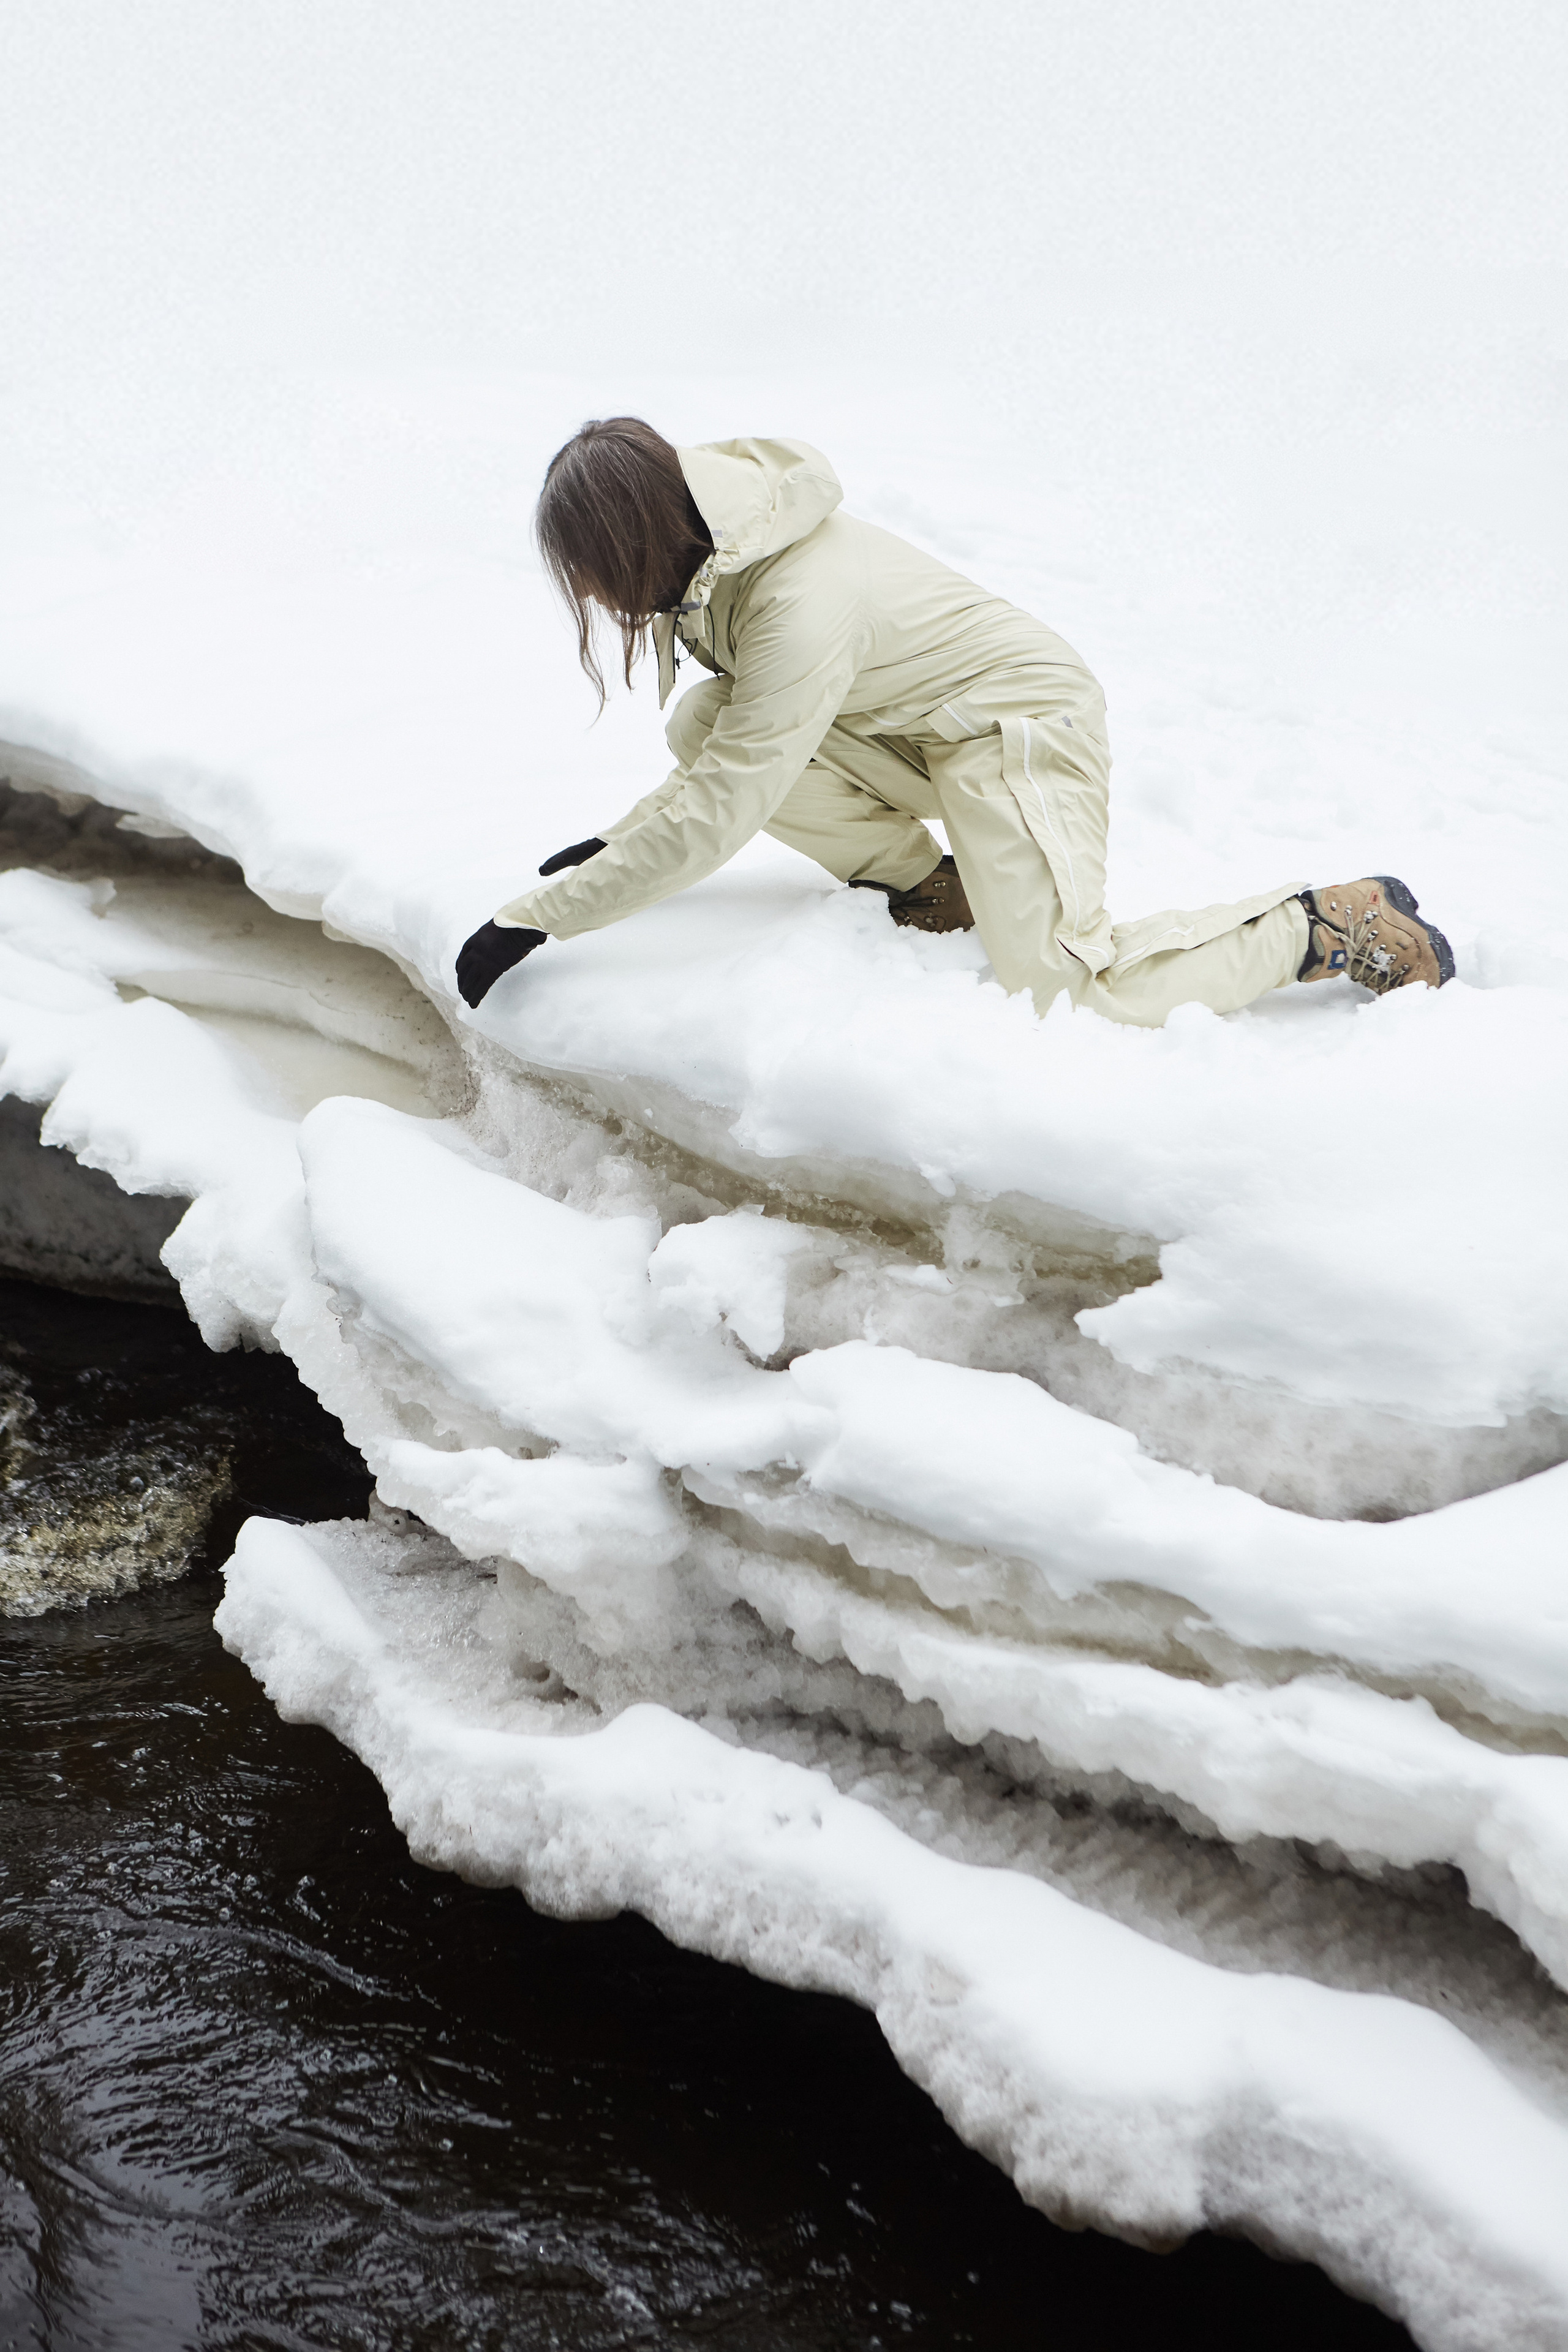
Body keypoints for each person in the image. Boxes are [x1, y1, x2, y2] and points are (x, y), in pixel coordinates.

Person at [456, 421, 1453, 1016]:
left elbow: (727, 803)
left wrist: (538, 919)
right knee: (702, 719)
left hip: (1016, 735)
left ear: (637, 538)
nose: (590, 597)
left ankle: (1325, 925)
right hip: (917, 730)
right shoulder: (722, 549)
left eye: (589, 572)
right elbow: (729, 752)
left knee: (1070, 994)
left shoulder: (800, 602)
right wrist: (614, 845)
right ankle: (933, 885)